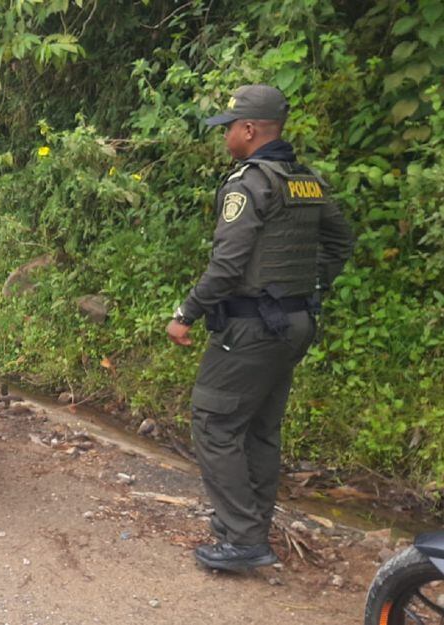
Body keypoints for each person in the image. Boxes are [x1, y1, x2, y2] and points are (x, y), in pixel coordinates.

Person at [166, 85, 354, 571]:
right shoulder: (304, 179)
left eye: (229, 126)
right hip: (295, 322)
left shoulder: (250, 183)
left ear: (249, 131)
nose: (226, 135)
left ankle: (244, 539)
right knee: (260, 428)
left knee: (214, 421)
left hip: (251, 327)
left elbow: (227, 266)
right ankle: (246, 525)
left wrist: (186, 313)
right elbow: (340, 239)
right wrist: (309, 287)